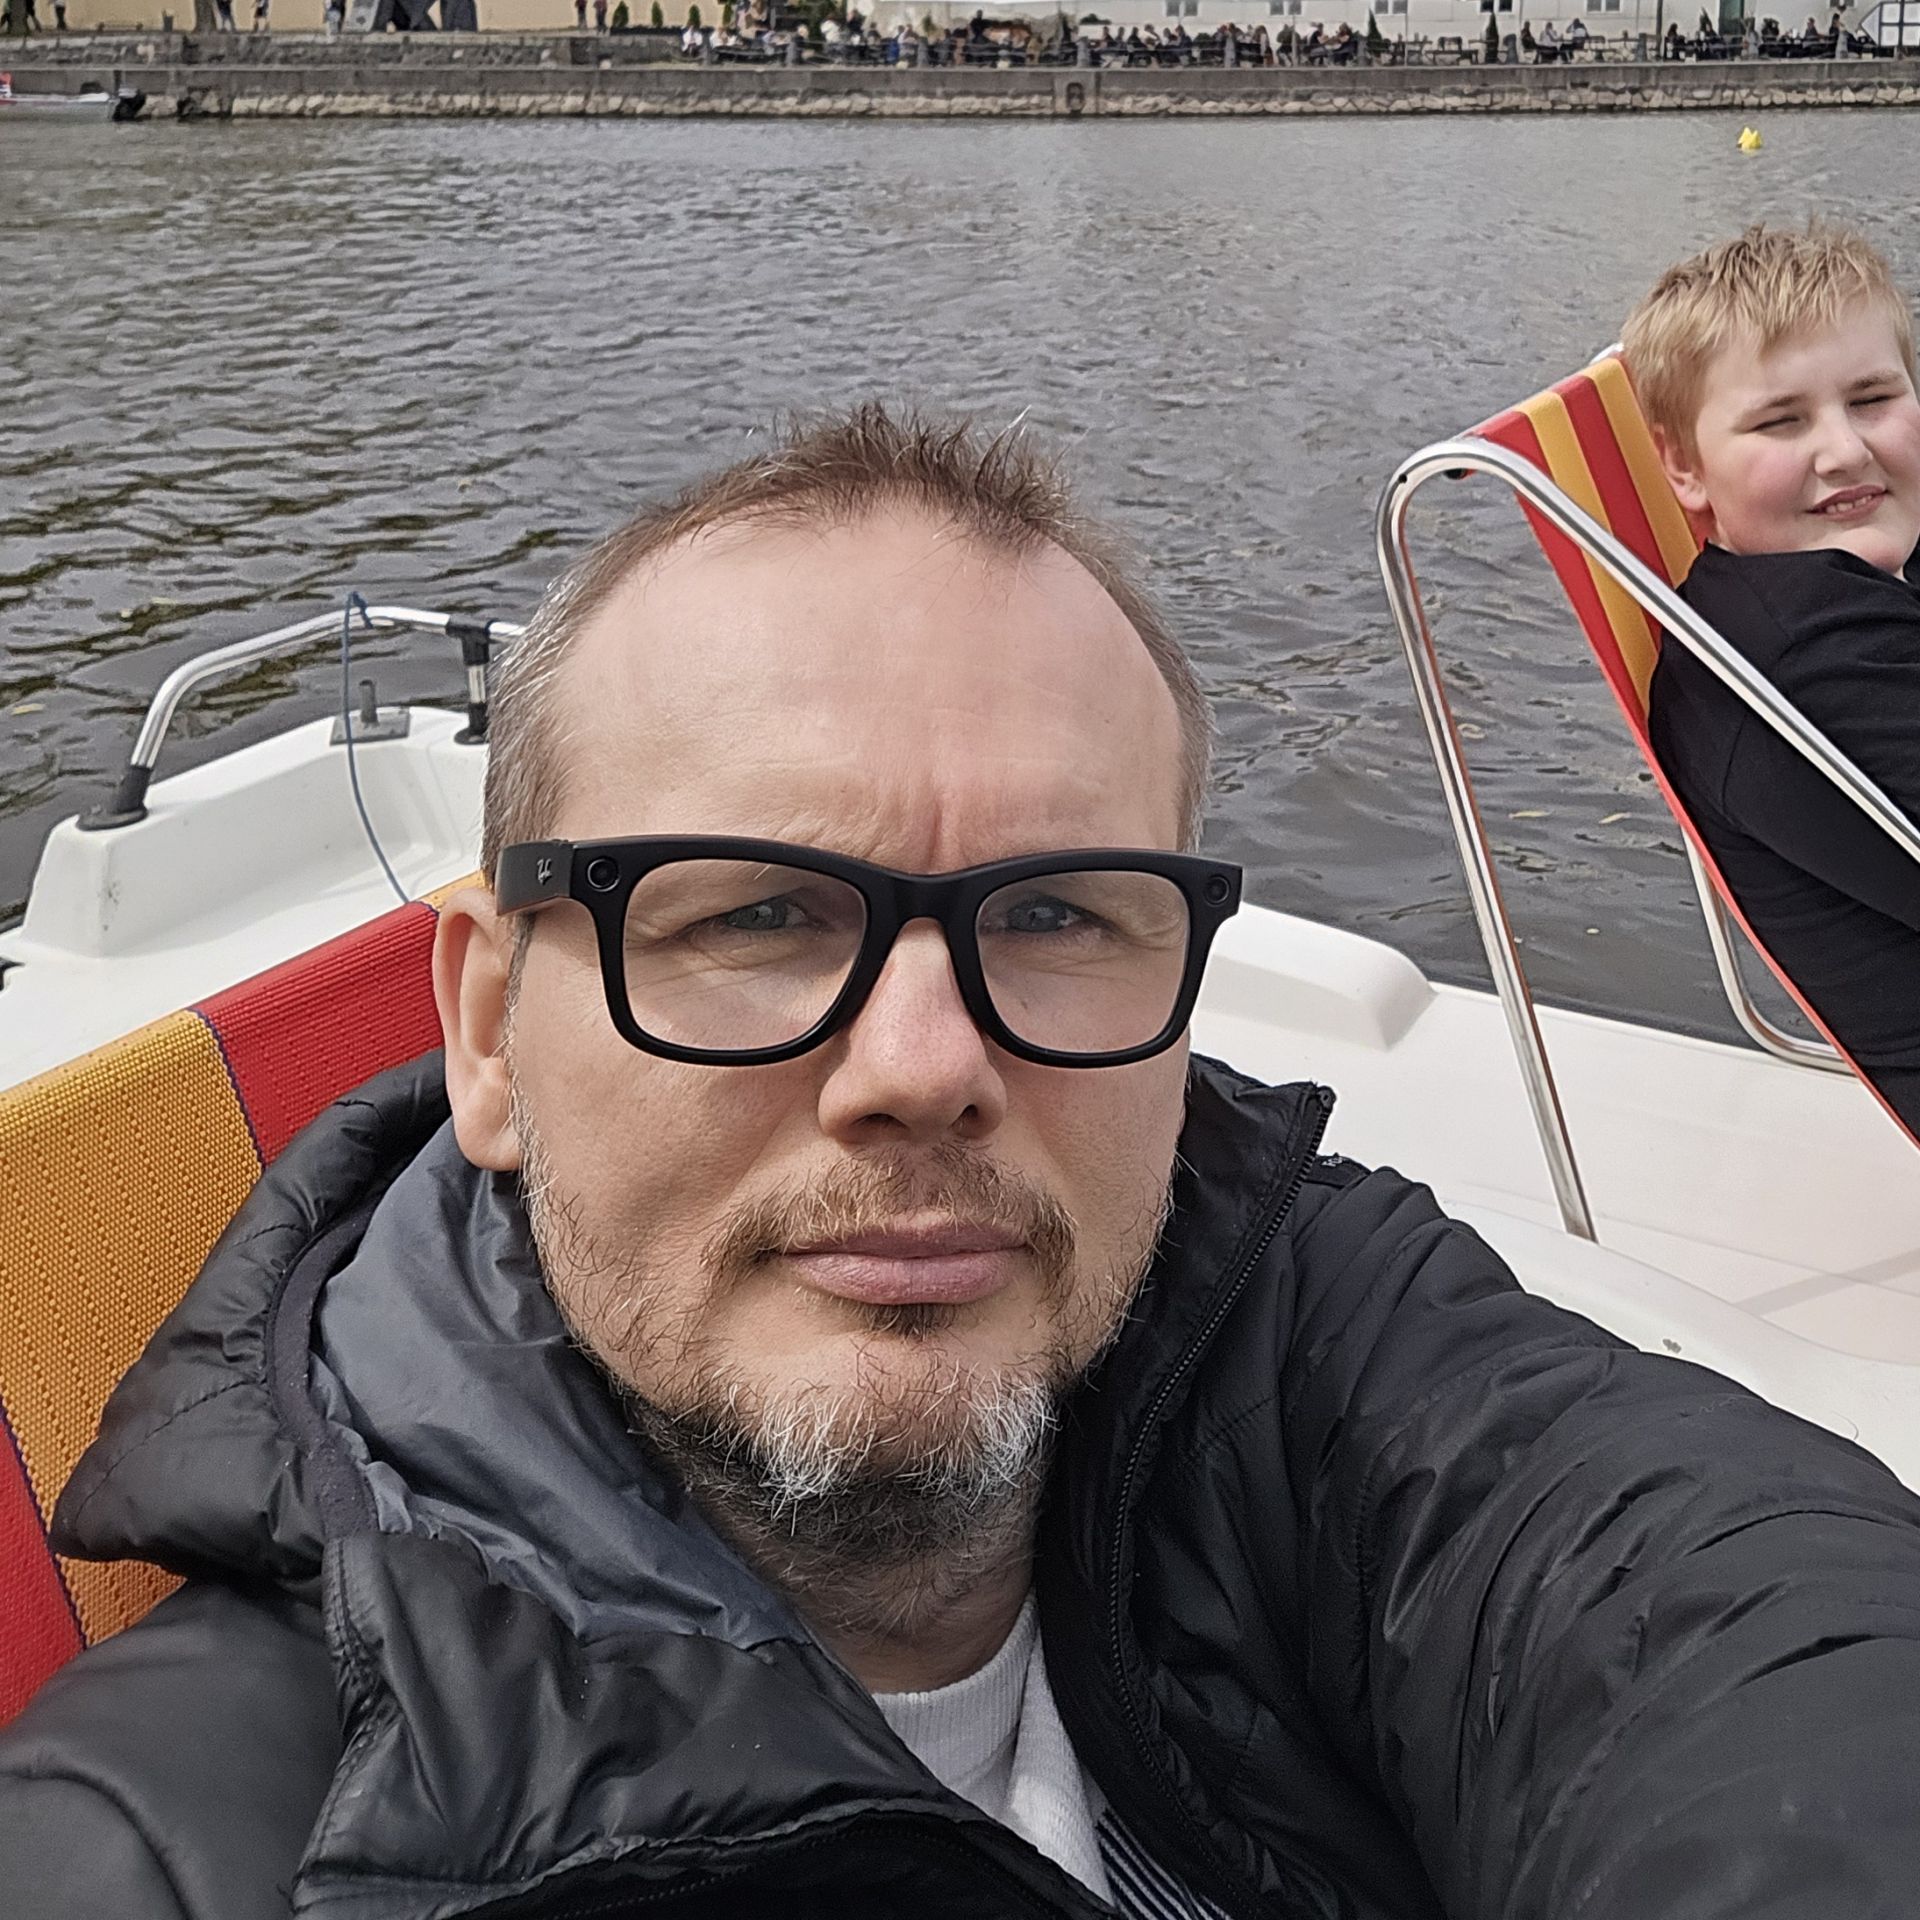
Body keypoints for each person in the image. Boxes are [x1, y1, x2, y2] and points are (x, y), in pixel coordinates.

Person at [8, 406, 1920, 1920]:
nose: (925, 1069)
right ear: (495, 1034)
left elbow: (1737, 1615)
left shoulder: (1292, 1306)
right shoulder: (181, 1849)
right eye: (754, 914)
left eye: (1060, 915)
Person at [1625, 224, 1920, 1142]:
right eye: (1781, 422)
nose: (1845, 451)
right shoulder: (1801, 665)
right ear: (1684, 466)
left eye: (1873, 398)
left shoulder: (1850, 566)